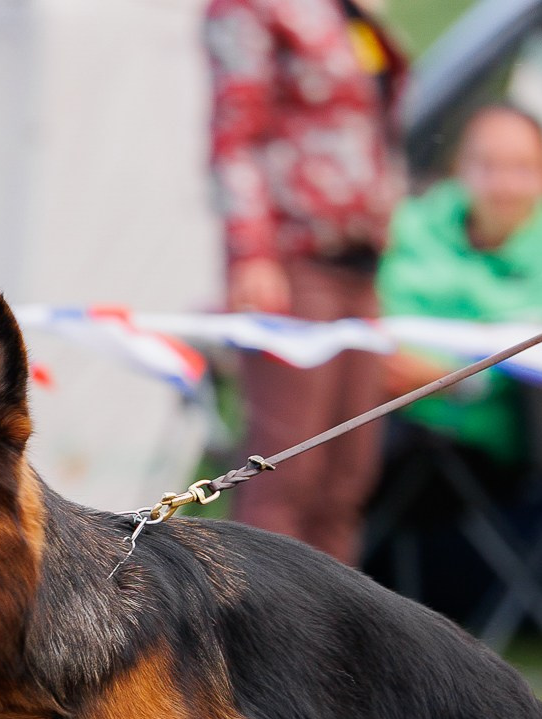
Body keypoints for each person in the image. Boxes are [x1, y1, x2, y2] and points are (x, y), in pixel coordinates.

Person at [205, 0, 406, 565]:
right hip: (294, 262)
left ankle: (334, 647)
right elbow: (233, 136)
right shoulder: (249, 7)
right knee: (284, 474)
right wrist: (251, 254)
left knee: (347, 479)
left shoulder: (351, 13)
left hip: (361, 265)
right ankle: (259, 643)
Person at [376, 103, 542, 492]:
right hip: (386, 410)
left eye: (521, 168)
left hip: (511, 443)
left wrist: (450, 377)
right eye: (486, 165)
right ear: (459, 167)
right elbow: (371, 302)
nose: (502, 185)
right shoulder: (413, 222)